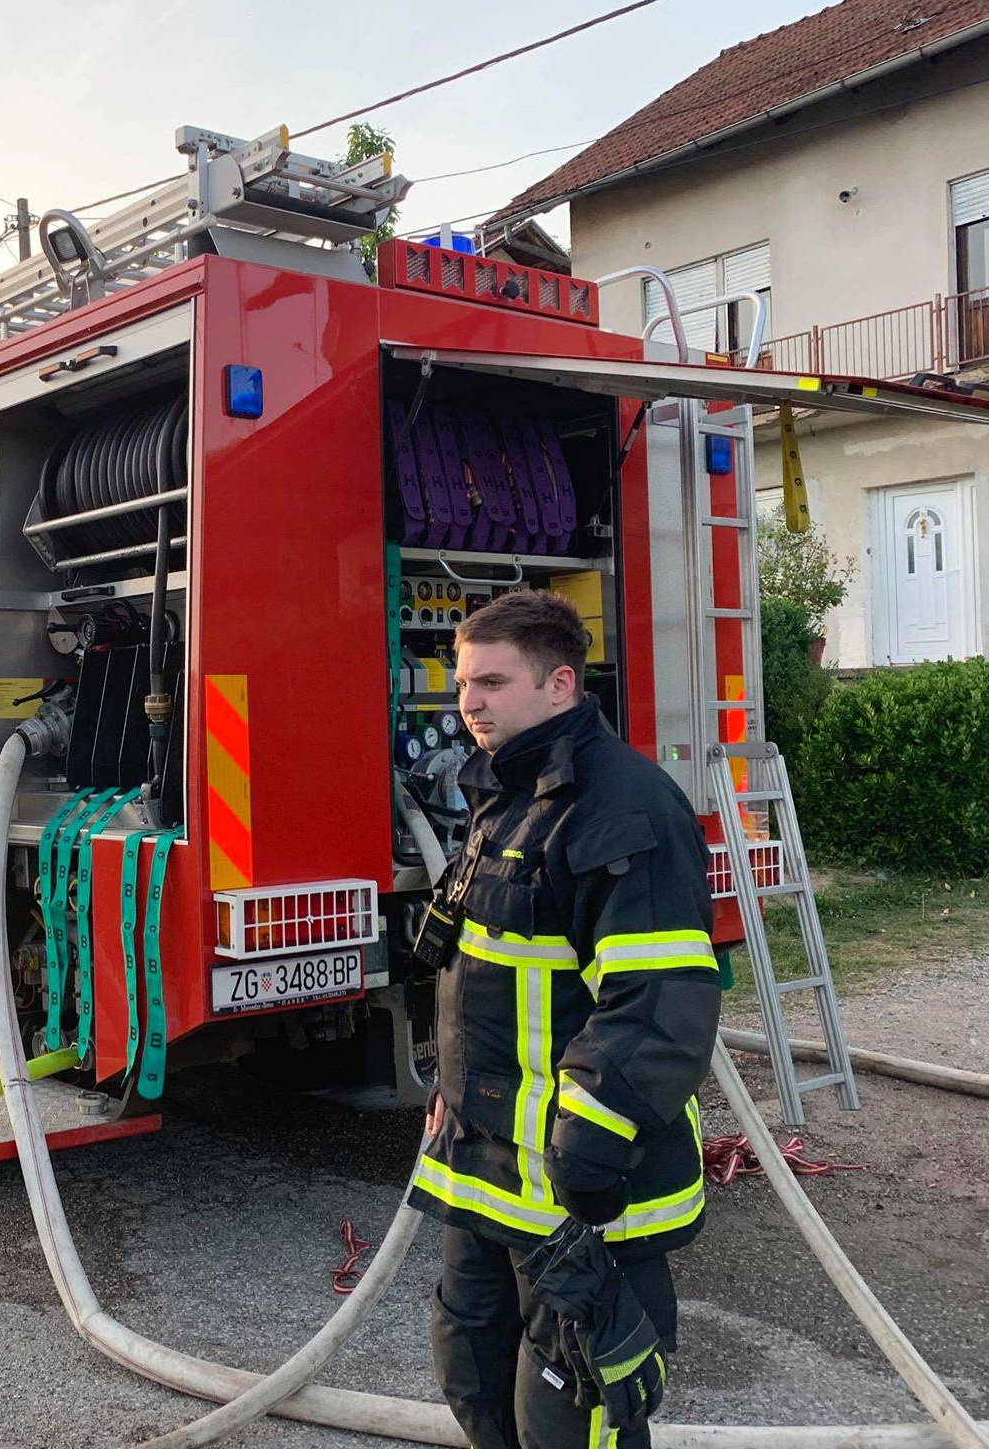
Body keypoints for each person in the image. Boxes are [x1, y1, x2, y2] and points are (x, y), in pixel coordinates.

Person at [411, 590, 719, 1449]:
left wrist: (589, 1147)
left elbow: (658, 1006)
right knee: (471, 1372)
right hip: (488, 1168)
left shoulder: (624, 807)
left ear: (559, 684)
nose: (466, 701)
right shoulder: (507, 794)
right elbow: (483, 977)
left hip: (580, 1186)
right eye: (463, 681)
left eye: (490, 682)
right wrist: (450, 1091)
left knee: (575, 1412)